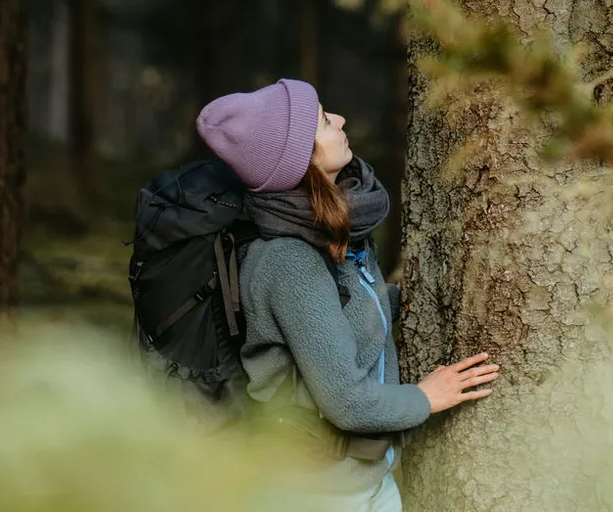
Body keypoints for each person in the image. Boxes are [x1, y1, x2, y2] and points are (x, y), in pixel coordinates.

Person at [196, 78, 500, 511]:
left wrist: (407, 300)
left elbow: (341, 315)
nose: (339, 120)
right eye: (323, 120)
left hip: (363, 485)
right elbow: (348, 401)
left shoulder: (330, 229)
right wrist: (428, 396)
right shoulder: (289, 259)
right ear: (299, 158)